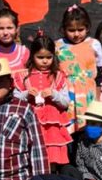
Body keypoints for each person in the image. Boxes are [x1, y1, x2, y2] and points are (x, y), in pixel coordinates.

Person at [17, 35, 72, 168]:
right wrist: (26, 94)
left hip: (52, 127)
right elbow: (14, 99)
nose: (45, 61)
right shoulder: (24, 76)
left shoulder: (58, 76)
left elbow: (65, 102)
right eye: (40, 57)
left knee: (52, 161)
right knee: (33, 158)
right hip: (31, 122)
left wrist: (54, 94)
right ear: (32, 57)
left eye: (48, 57)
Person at [56, 4, 102, 130]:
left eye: (80, 29)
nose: (76, 34)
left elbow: (100, 73)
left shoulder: (94, 44)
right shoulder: (58, 46)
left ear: (87, 28)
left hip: (88, 95)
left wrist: (97, 99)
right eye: (71, 30)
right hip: (66, 95)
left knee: (87, 131)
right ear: (64, 29)